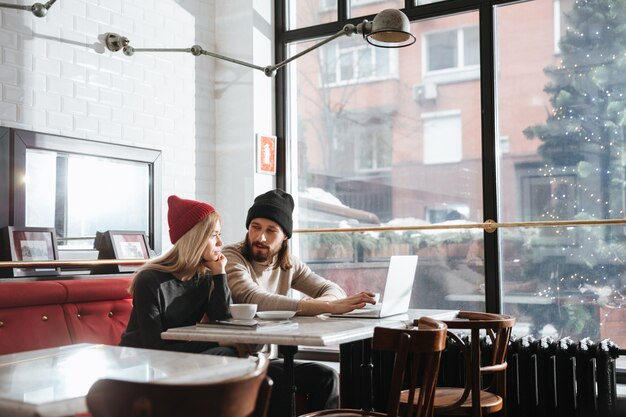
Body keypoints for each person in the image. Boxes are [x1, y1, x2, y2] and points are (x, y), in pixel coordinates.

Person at [223, 189, 376, 416]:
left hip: (262, 359)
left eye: (270, 230)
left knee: (327, 377)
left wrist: (327, 302)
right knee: (280, 387)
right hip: (234, 359)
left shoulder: (288, 263)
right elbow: (251, 297)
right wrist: (323, 306)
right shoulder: (232, 256)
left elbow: (333, 289)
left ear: (284, 236)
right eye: (255, 227)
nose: (260, 237)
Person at [120, 195, 236, 356]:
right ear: (195, 238)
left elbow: (225, 323)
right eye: (213, 235)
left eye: (219, 234)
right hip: (139, 362)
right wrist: (216, 342)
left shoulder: (205, 277)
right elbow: (153, 347)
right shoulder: (150, 280)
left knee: (234, 355)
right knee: (226, 354)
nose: (220, 243)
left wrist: (220, 274)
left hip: (177, 357)